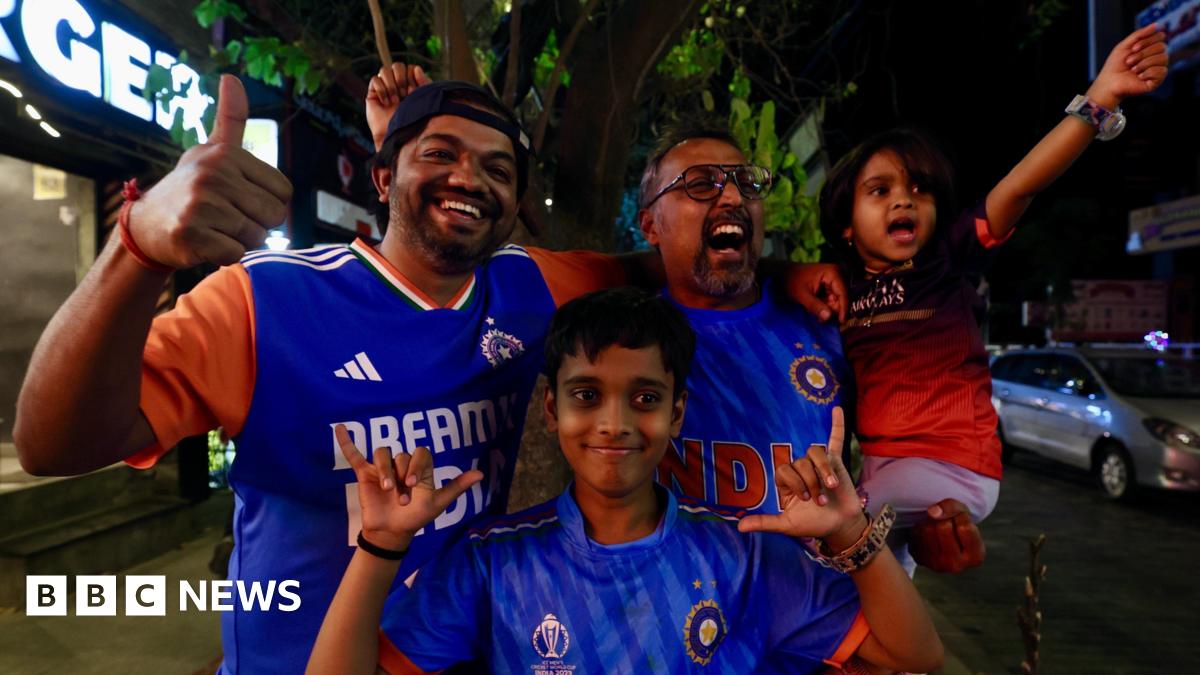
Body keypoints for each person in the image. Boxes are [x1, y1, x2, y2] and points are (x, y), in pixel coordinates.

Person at [14, 71, 838, 671]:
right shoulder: (265, 301)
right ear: (383, 176)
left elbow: (664, 262)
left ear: (513, 205)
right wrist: (134, 252)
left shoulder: (529, 287)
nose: (469, 178)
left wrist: (793, 280)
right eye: (439, 153)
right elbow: (52, 443)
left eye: (497, 168)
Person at [308, 288, 943, 674]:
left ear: (677, 412)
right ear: (553, 409)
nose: (613, 424)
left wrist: (853, 537)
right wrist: (381, 546)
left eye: (644, 397)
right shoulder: (491, 561)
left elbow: (914, 653)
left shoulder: (742, 552)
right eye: (587, 394)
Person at [818, 24, 1168, 572]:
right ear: (845, 225)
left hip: (951, 466)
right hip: (883, 467)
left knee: (825, 537)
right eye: (880, 191)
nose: (903, 201)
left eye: (919, 188)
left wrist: (1098, 101)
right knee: (877, 592)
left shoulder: (948, 259)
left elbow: (1019, 186)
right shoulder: (840, 285)